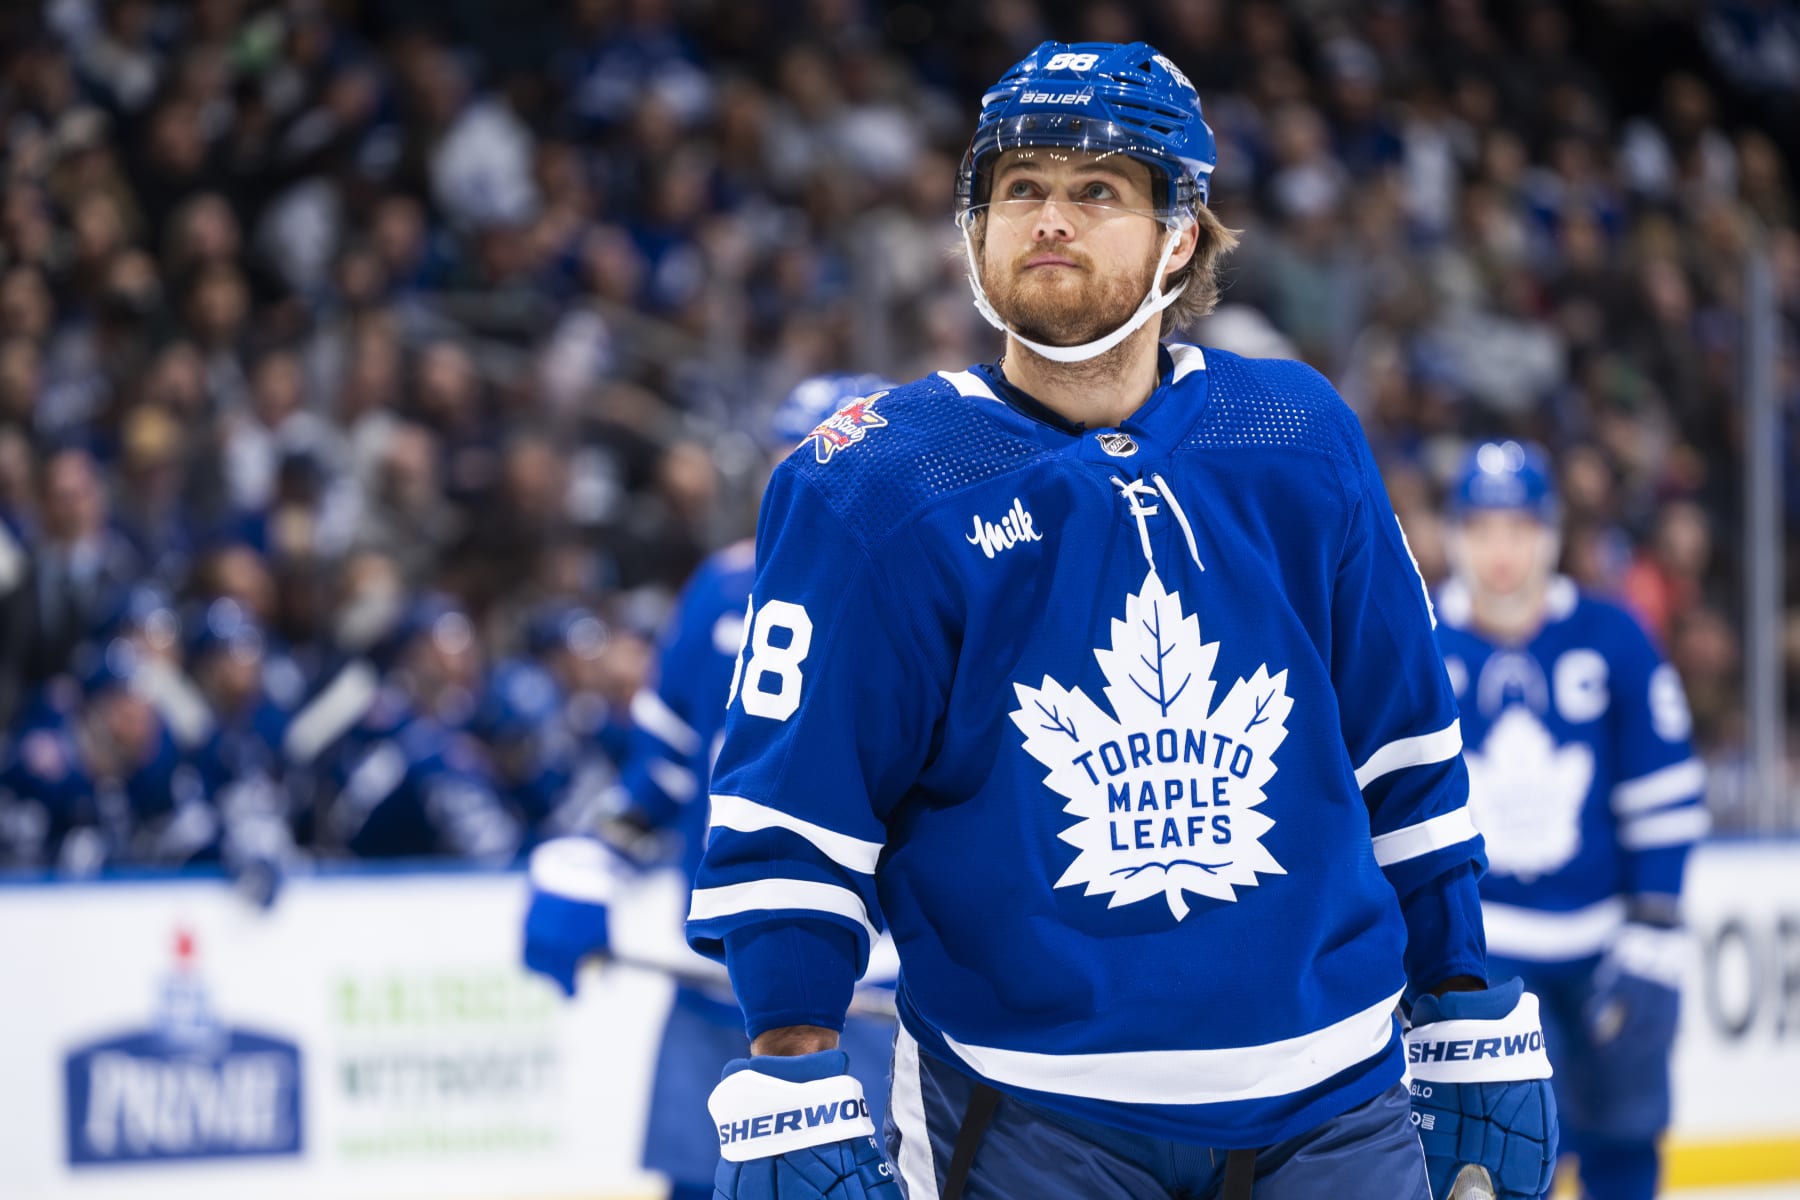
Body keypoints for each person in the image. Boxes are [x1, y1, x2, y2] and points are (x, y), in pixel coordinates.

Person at [683, 42, 1558, 1200]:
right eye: (1020, 188)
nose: (1050, 218)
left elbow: (1404, 752)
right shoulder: (872, 484)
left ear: (1179, 236)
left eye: (1096, 190)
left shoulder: (1298, 437)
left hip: (1338, 1108)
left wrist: (1459, 993)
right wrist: (793, 1066)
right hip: (1030, 1119)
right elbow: (794, 822)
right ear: (974, 229)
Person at [521, 373, 900, 1200]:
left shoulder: (939, 591)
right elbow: (653, 784)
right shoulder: (721, 593)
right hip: (719, 992)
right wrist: (589, 863)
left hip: (870, 1005)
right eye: (794, 462)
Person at [1435, 441, 1706, 1200]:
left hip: (1607, 946)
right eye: (1483, 529)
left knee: (1625, 1139)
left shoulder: (1612, 637)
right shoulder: (1417, 638)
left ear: (1549, 534)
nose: (1501, 552)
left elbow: (1664, 791)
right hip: (1481, 958)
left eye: (1518, 528)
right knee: (1505, 1163)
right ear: (1456, 536)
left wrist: (1656, 921)